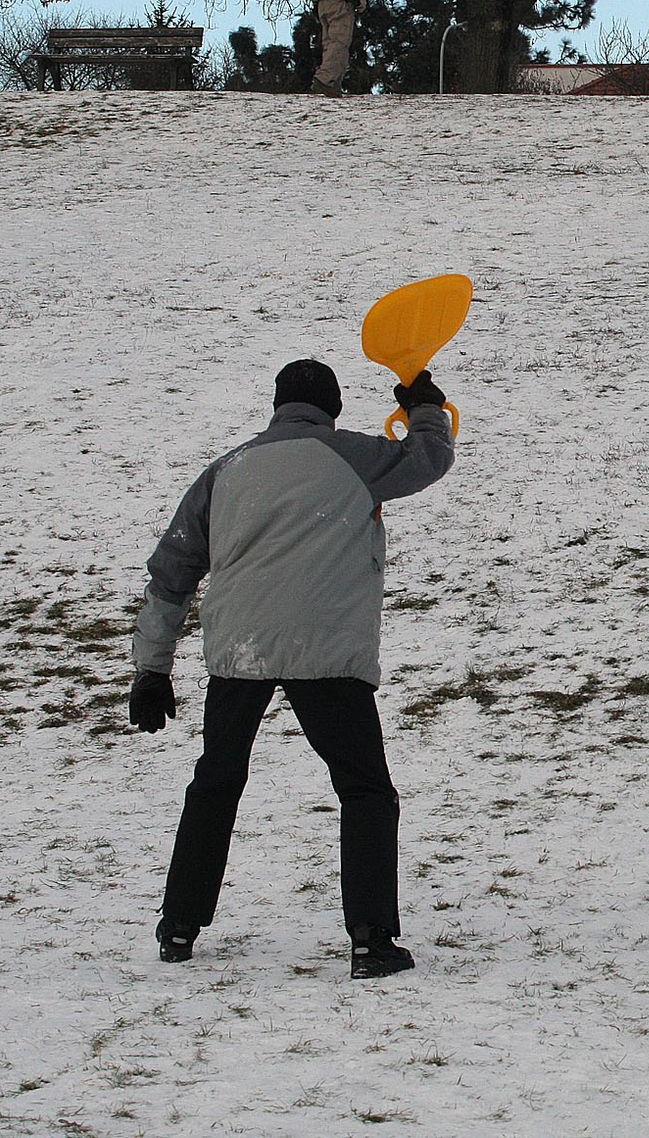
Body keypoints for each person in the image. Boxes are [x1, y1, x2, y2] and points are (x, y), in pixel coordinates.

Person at [129, 359, 455, 979]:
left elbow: (170, 578)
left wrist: (151, 670)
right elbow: (428, 459)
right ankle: (370, 941)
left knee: (216, 785)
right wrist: (424, 405)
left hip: (239, 650)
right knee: (363, 789)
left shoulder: (225, 470)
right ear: (332, 407)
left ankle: (177, 929)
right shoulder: (353, 456)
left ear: (276, 405)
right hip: (326, 651)